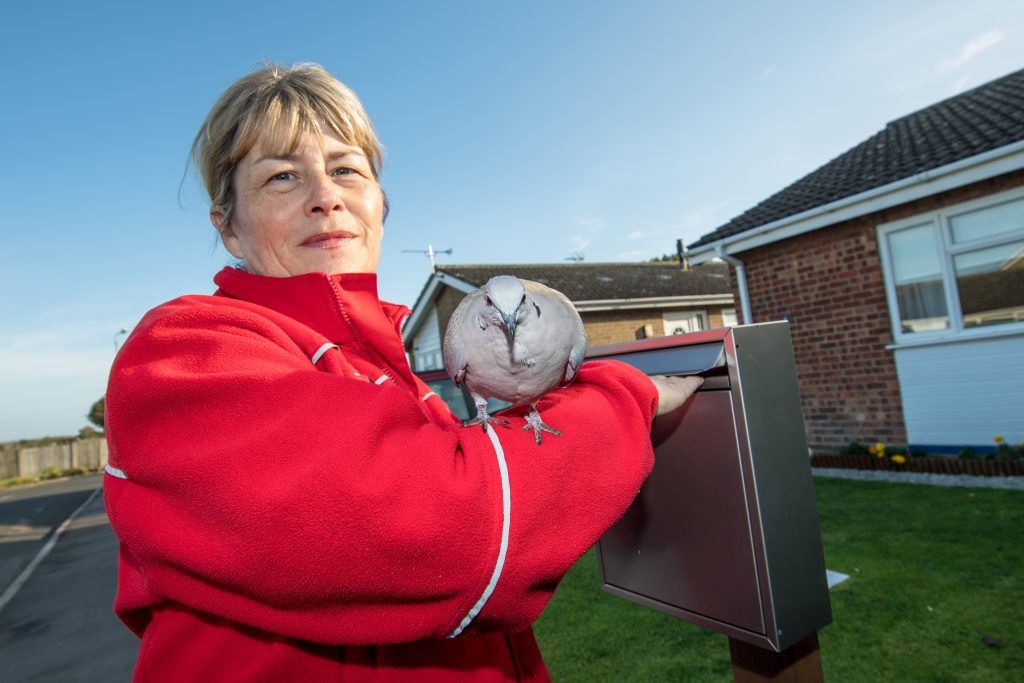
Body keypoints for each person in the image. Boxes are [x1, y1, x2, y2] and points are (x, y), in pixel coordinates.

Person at [104, 62, 702, 682]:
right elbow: (450, 533)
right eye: (282, 176)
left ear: (379, 205)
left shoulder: (398, 375)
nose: (325, 195)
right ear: (227, 226)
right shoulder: (185, 352)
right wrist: (623, 399)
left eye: (346, 170)